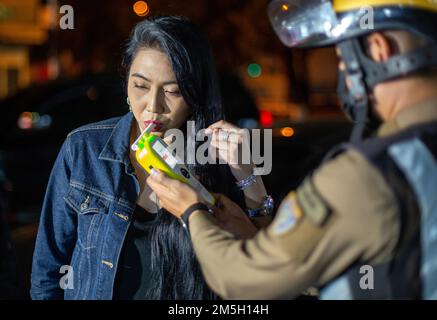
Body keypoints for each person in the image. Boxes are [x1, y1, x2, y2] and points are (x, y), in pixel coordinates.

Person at [147, 0, 437, 299]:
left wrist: (191, 210)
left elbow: (244, 281)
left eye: (341, 57)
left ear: (379, 49)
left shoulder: (370, 175)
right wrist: (253, 227)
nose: (342, 72)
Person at [30, 16, 270, 300]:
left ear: (195, 95)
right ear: (127, 83)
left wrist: (249, 177)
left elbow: (266, 273)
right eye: (141, 86)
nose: (153, 107)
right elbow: (48, 274)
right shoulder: (83, 149)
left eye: (172, 91)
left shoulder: (219, 157)